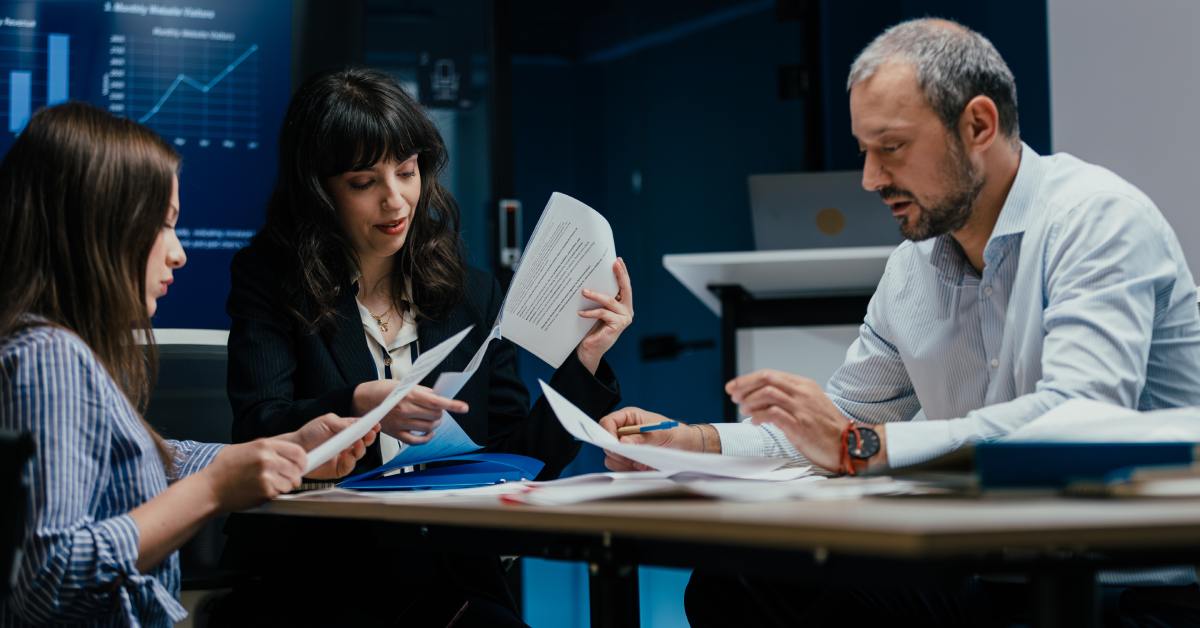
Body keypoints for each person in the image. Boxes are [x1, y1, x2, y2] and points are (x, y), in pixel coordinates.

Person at [599, 18, 1200, 626]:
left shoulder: (1098, 220)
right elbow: (841, 429)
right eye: (865, 150)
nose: (870, 178)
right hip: (989, 572)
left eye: (891, 147)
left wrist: (860, 445)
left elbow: (1079, 417)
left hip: (1127, 590)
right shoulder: (912, 266)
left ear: (978, 126)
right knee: (736, 581)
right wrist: (691, 442)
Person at [219, 67, 632, 625]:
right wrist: (360, 401)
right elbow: (258, 427)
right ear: (320, 191)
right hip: (319, 576)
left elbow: (520, 461)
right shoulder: (270, 280)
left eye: (407, 172)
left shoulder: (471, 291)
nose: (396, 201)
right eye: (364, 183)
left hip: (448, 581)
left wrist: (584, 362)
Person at [0, 102, 374, 626]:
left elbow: (148, 461)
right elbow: (51, 578)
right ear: (100, 229)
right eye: (163, 225)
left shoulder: (49, 348)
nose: (178, 254)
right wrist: (214, 491)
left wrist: (283, 452)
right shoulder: (49, 357)